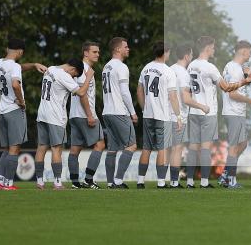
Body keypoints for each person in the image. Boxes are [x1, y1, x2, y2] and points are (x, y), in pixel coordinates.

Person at [187, 36, 251, 188]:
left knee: (193, 147)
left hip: (193, 110)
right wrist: (245, 81)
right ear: (207, 48)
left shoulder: (191, 65)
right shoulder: (210, 67)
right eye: (213, 47)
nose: (214, 49)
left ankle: (190, 182)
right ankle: (205, 183)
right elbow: (226, 88)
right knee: (205, 148)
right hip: (207, 111)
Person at [0, 39, 45, 190]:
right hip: (14, 110)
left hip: (1, 110)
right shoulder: (14, 66)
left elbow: (18, 68)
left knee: (6, 149)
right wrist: (21, 101)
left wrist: (34, 65)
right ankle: (9, 184)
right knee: (14, 149)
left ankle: (0, 182)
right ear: (20, 51)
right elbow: (16, 83)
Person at [35, 58, 92, 189]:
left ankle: (39, 181)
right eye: (74, 75)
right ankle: (57, 182)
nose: (73, 77)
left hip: (42, 114)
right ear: (73, 69)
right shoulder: (64, 75)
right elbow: (81, 92)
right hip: (55, 116)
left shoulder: (50, 69)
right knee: (56, 149)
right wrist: (88, 77)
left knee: (41, 147)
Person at [136, 41, 182, 189]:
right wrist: (179, 116)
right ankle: (161, 182)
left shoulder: (146, 68)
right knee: (162, 148)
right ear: (165, 52)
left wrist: (145, 109)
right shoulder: (168, 71)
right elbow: (173, 97)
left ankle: (140, 181)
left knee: (146, 148)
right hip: (163, 116)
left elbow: (139, 91)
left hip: (148, 114)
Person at [221, 40, 251, 189]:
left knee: (243, 144)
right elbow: (233, 94)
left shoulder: (236, 67)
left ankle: (225, 175)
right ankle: (231, 180)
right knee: (233, 146)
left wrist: (250, 77)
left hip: (238, 113)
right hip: (233, 112)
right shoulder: (233, 68)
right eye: (250, 51)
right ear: (243, 51)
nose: (250, 54)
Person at [68, 41, 106, 189]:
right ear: (86, 53)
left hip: (74, 114)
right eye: (94, 52)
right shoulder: (84, 69)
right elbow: (82, 94)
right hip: (85, 114)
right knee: (100, 144)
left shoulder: (79, 68)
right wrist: (90, 115)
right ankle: (89, 180)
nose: (98, 54)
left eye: (98, 52)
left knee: (75, 149)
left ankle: (75, 182)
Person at [101, 37, 137, 189]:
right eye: (126, 47)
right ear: (117, 49)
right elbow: (124, 92)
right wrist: (133, 112)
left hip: (107, 112)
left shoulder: (106, 67)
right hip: (118, 111)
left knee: (112, 149)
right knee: (131, 146)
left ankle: (110, 182)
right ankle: (118, 181)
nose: (128, 49)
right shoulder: (121, 67)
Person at [169, 41, 205, 188]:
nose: (191, 56)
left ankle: (164, 180)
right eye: (190, 54)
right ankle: (174, 182)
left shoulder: (170, 69)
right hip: (178, 116)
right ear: (186, 56)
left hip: (166, 114)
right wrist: (202, 106)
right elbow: (185, 99)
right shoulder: (184, 74)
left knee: (169, 149)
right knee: (177, 148)